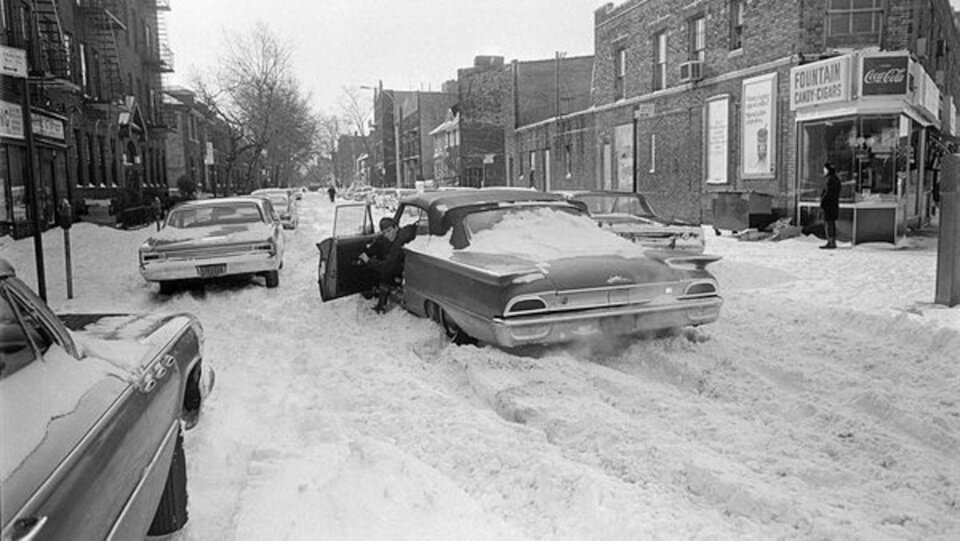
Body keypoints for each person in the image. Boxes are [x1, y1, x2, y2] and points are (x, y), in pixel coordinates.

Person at [358, 217, 416, 312]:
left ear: (396, 228)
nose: (387, 235)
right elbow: (380, 242)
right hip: (400, 263)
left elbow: (387, 266)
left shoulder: (399, 242)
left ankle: (382, 304)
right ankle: (380, 298)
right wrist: (369, 251)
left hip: (405, 267)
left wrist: (368, 261)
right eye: (384, 232)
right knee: (382, 255)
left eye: (389, 231)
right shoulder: (390, 237)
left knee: (386, 270)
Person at [820, 162, 842, 250]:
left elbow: (828, 193)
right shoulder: (835, 179)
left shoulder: (830, 179)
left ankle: (831, 241)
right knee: (830, 222)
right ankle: (831, 241)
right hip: (832, 204)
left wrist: (823, 201)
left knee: (829, 223)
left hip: (829, 205)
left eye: (825, 169)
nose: (823, 171)